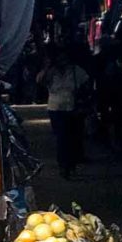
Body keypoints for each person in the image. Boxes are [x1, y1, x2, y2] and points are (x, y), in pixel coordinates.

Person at [37, 47, 89, 179]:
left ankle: (71, 165)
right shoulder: (51, 72)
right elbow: (39, 81)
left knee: (72, 137)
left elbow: (86, 83)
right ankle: (64, 166)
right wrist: (47, 67)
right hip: (55, 108)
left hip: (72, 107)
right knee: (62, 138)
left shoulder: (76, 70)